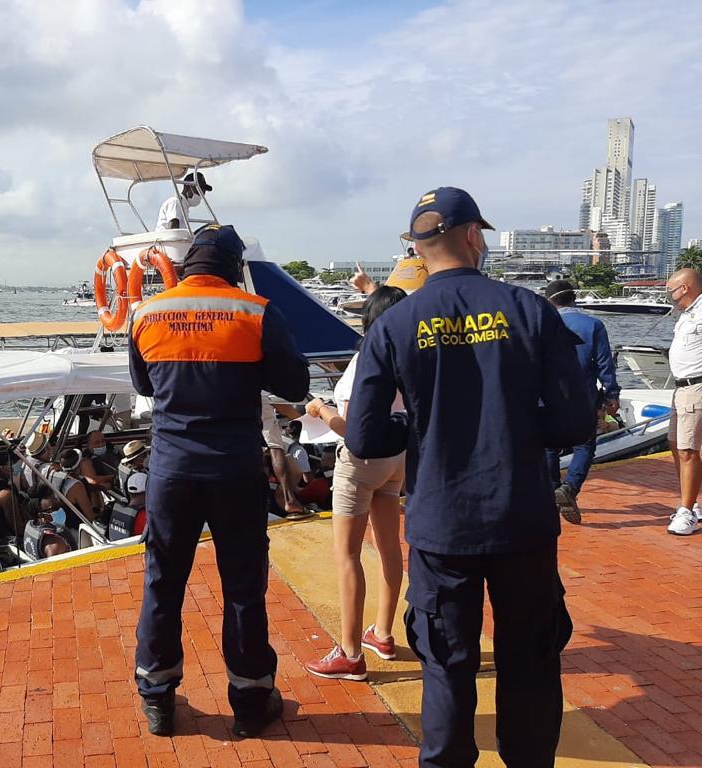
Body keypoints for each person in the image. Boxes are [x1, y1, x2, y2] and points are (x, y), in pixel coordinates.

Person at [347, 187, 594, 766]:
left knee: (446, 665)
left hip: (441, 524)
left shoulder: (394, 324)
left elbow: (364, 437)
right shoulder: (529, 310)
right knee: (530, 661)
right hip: (522, 519)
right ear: (474, 236)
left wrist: (420, 436)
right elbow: (574, 421)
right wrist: (515, 425)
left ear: (418, 247)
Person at [129, 224, 309, 738]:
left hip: (171, 472)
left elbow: (145, 383)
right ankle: (252, 700)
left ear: (187, 266)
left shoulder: (147, 313)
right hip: (234, 470)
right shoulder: (256, 312)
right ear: (235, 267)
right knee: (243, 588)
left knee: (163, 582)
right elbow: (294, 383)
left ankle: (158, 697)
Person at [303, 286, 408, 682]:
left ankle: (348, 653)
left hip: (361, 463)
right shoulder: (410, 356)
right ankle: (382, 633)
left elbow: (351, 429)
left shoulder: (367, 359)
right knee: (388, 547)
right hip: (397, 459)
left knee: (347, 555)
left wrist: (319, 408)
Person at [541, 279, 620, 525]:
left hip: (546, 395)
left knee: (549, 447)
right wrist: (611, 394)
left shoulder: (542, 323)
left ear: (549, 300)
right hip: (582, 394)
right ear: (574, 299)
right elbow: (605, 363)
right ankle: (569, 488)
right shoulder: (593, 325)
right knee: (584, 446)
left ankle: (552, 493)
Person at [664, 268, 702, 535]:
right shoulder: (687, 314)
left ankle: (686, 511)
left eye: (671, 290)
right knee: (676, 445)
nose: (669, 296)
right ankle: (691, 503)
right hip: (681, 388)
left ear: (685, 288)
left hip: (696, 387)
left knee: (689, 450)